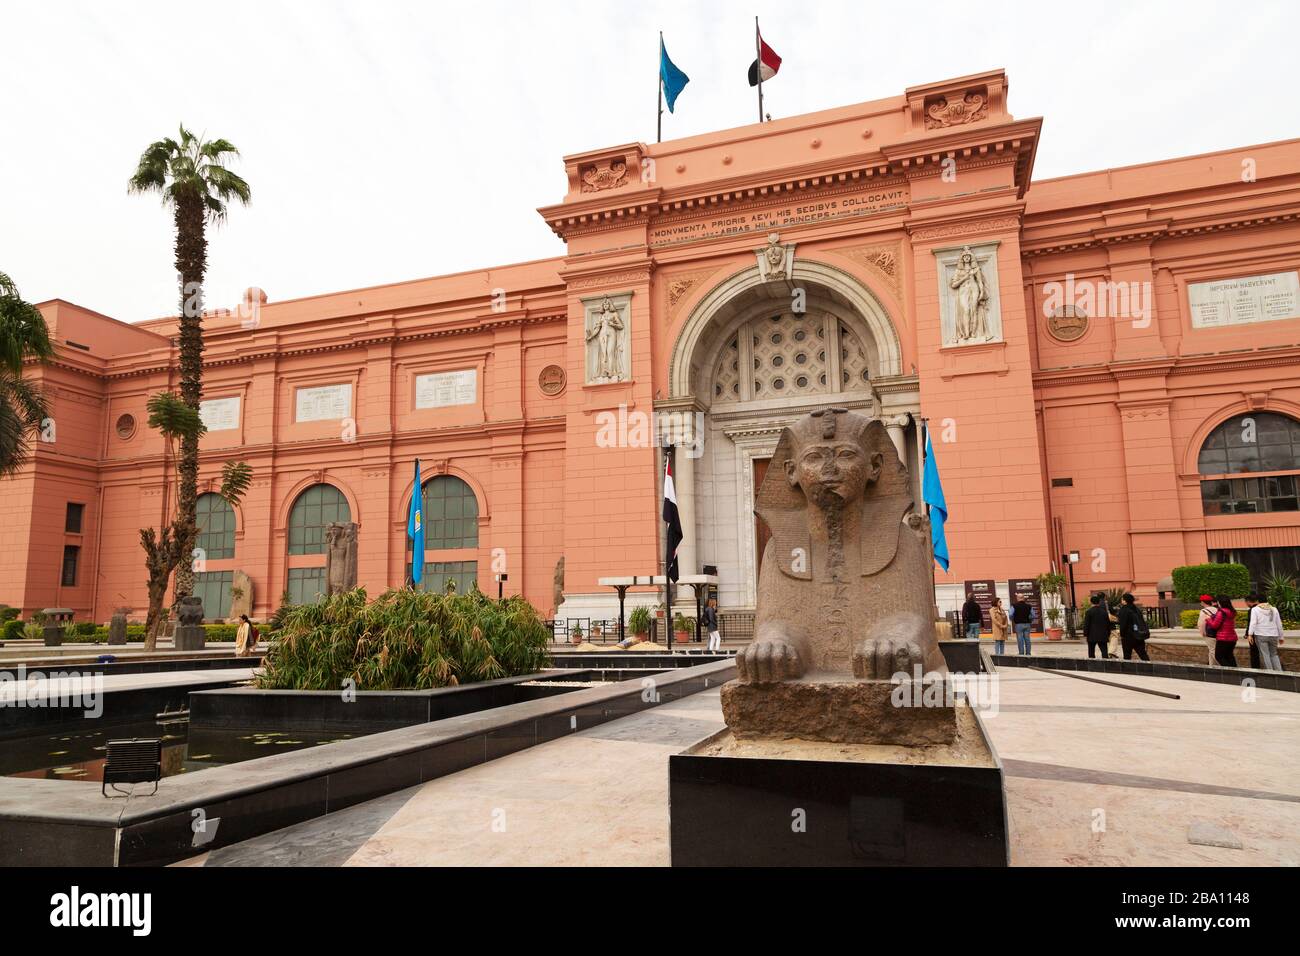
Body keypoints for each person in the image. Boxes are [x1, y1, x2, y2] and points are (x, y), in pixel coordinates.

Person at [1246, 592, 1285, 672]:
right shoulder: (1274, 609)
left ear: (1257, 601)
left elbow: (1253, 623)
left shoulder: (1255, 609)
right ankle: (1279, 672)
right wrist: (1281, 637)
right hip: (1274, 635)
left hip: (1261, 635)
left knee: (1265, 655)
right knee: (1274, 654)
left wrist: (1250, 634)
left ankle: (1270, 672)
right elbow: (1279, 624)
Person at [1115, 592, 1150, 661]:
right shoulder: (1136, 609)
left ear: (1125, 601)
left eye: (1122, 599)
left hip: (1128, 636)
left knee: (1127, 656)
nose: (1121, 600)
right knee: (1143, 654)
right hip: (1138, 635)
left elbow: (1123, 624)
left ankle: (1128, 670)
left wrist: (1121, 634)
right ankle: (1150, 668)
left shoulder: (1124, 610)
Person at [1208, 595, 1239, 667]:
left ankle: (1230, 672)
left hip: (1223, 638)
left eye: (1218, 602)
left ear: (1221, 603)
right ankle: (1236, 672)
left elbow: (1214, 625)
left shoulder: (1221, 612)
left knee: (1219, 656)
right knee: (1229, 656)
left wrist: (1208, 619)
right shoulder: (1232, 611)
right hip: (1232, 638)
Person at [1081, 593, 1113, 659]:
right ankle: (1106, 663)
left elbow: (1087, 624)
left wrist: (1085, 634)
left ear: (1091, 602)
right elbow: (1108, 623)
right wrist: (1108, 633)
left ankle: (1092, 663)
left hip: (1092, 635)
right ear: (1099, 602)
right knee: (1104, 650)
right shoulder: (1104, 611)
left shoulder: (1089, 611)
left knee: (1091, 651)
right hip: (1103, 634)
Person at [1197, 594, 1217, 665]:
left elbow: (1201, 623)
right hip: (1217, 632)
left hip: (1208, 633)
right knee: (1211, 649)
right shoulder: (1216, 609)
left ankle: (1222, 666)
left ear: (1203, 602)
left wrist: (1202, 632)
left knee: (1212, 650)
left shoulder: (1203, 611)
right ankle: (1211, 665)